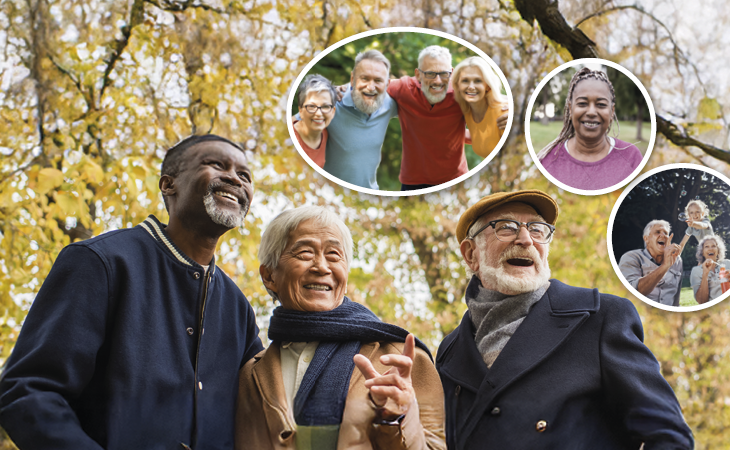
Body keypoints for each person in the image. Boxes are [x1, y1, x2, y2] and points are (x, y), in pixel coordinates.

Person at [0, 135, 264, 449]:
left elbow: (265, 405)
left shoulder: (237, 307)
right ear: (168, 184)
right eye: (217, 164)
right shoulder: (101, 262)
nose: (235, 178)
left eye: (244, 175)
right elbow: (27, 391)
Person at [436, 190, 693, 449]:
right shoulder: (450, 350)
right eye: (506, 227)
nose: (526, 239)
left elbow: (669, 436)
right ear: (470, 254)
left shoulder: (601, 318)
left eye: (537, 229)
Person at [236, 206, 445, 449]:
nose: (322, 266)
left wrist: (394, 419)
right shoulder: (250, 376)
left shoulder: (401, 359)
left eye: (334, 255)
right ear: (269, 276)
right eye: (304, 253)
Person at [537, 67, 643, 190]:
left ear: (612, 111)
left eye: (601, 105)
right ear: (570, 109)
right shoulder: (547, 162)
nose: (592, 112)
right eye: (582, 103)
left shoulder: (631, 158)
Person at [386, 46, 470, 190]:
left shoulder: (463, 92)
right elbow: (371, 85)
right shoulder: (404, 88)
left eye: (444, 74)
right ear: (418, 74)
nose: (437, 81)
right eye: (430, 74)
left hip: (455, 179)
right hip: (413, 182)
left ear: (452, 72)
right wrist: (338, 91)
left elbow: (493, 101)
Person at [323, 49, 398, 190]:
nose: (370, 87)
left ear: (387, 84)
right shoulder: (330, 102)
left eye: (378, 80)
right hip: (330, 195)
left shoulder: (389, 103)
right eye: (364, 78)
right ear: (352, 79)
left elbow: (420, 93)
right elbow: (293, 126)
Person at [451, 56, 507, 158]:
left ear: (488, 86)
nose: (471, 86)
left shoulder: (503, 115)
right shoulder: (467, 110)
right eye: (465, 81)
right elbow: (481, 137)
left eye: (478, 81)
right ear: (457, 85)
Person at [619, 220, 683, 306]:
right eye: (657, 232)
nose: (663, 235)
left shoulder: (677, 260)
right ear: (646, 239)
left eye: (666, 233)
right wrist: (665, 266)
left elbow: (676, 299)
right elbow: (632, 293)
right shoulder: (632, 257)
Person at [293, 74, 336, 168]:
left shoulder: (329, 134)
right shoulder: (289, 139)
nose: (319, 114)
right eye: (312, 106)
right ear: (300, 111)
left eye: (325, 106)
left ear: (333, 112)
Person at [690, 235, 730, 303]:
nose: (710, 249)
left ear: (718, 251)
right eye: (706, 246)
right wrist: (705, 273)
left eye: (713, 246)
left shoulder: (728, 263)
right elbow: (702, 301)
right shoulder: (696, 271)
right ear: (702, 253)